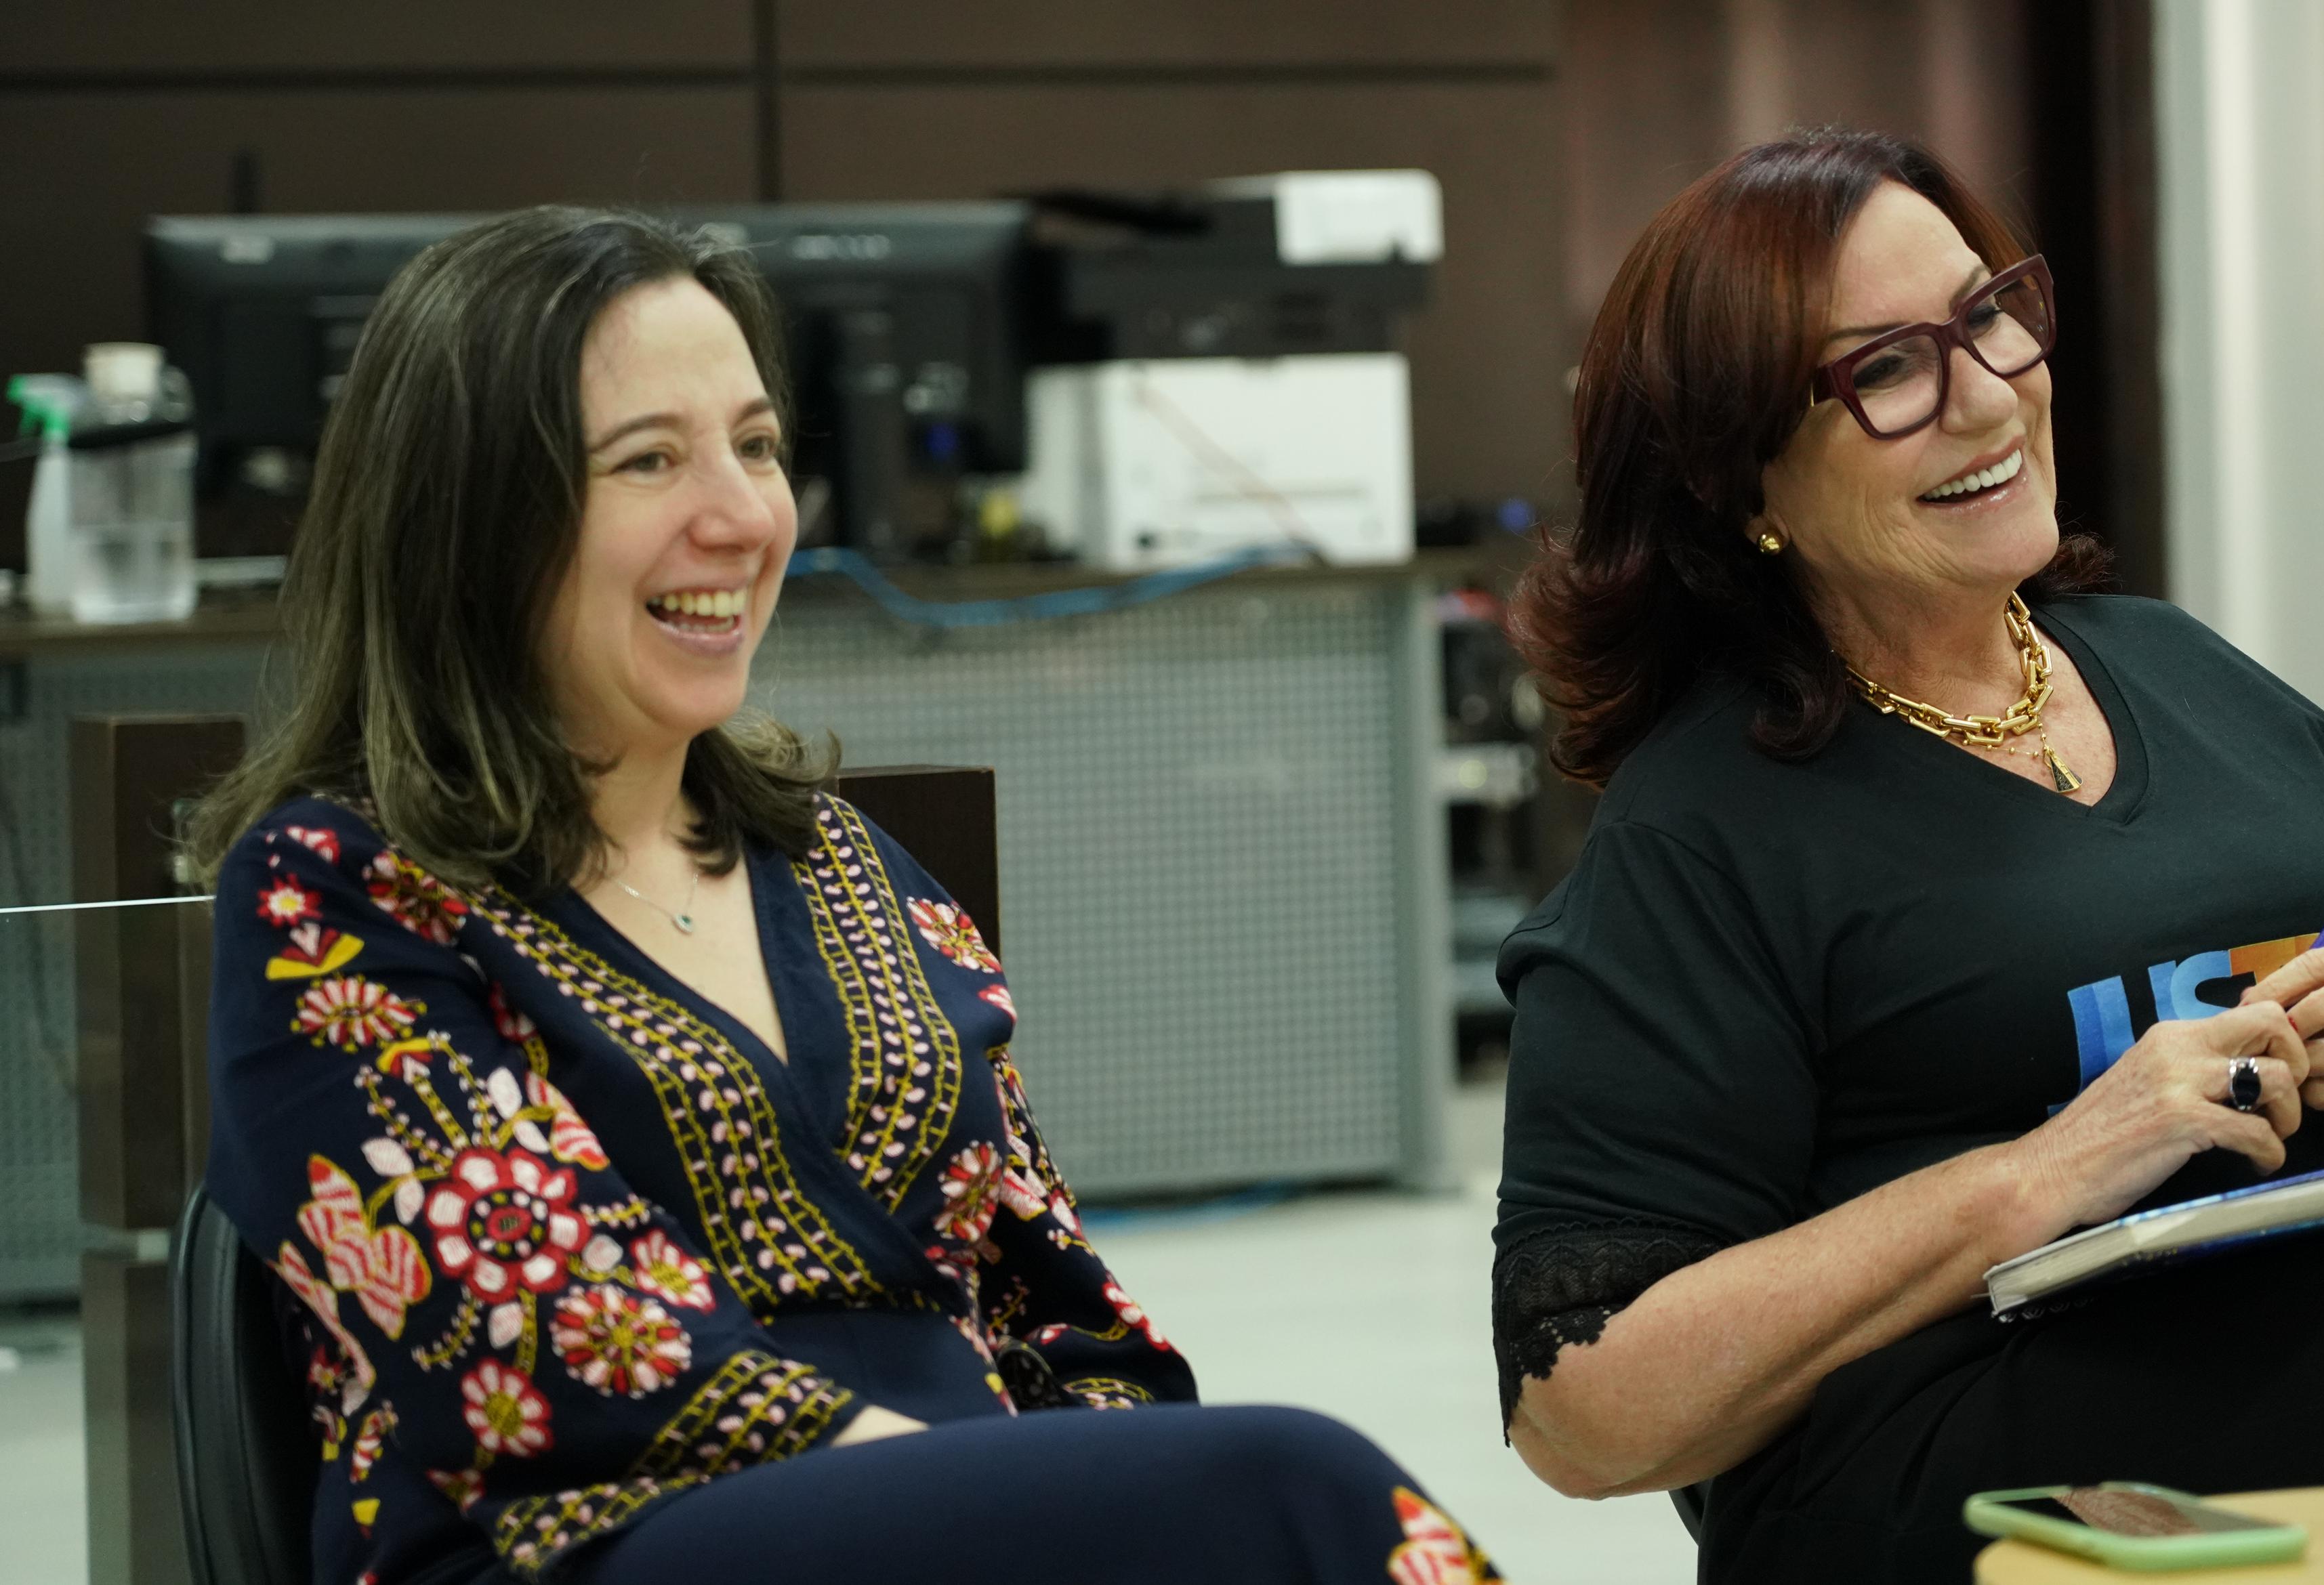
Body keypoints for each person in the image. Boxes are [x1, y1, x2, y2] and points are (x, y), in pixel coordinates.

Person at [1489, 129, 2324, 1584]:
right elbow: (1584, 1410)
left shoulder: (2185, 670)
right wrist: (2043, 1174)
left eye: (1987, 314)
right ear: (1737, 482)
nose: (1985, 393)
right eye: (1882, 370)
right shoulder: (1704, 830)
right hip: (1959, 1460)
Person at [191, 207, 1501, 1585]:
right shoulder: (334, 894)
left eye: (756, 446)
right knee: (1295, 1488)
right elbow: (552, 1353)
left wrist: (1085, 1488)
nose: (744, 514)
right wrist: (1021, 1511)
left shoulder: (841, 863)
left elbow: (1061, 1306)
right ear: (468, 523)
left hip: (959, 1520)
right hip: (579, 1540)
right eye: (650, 460)